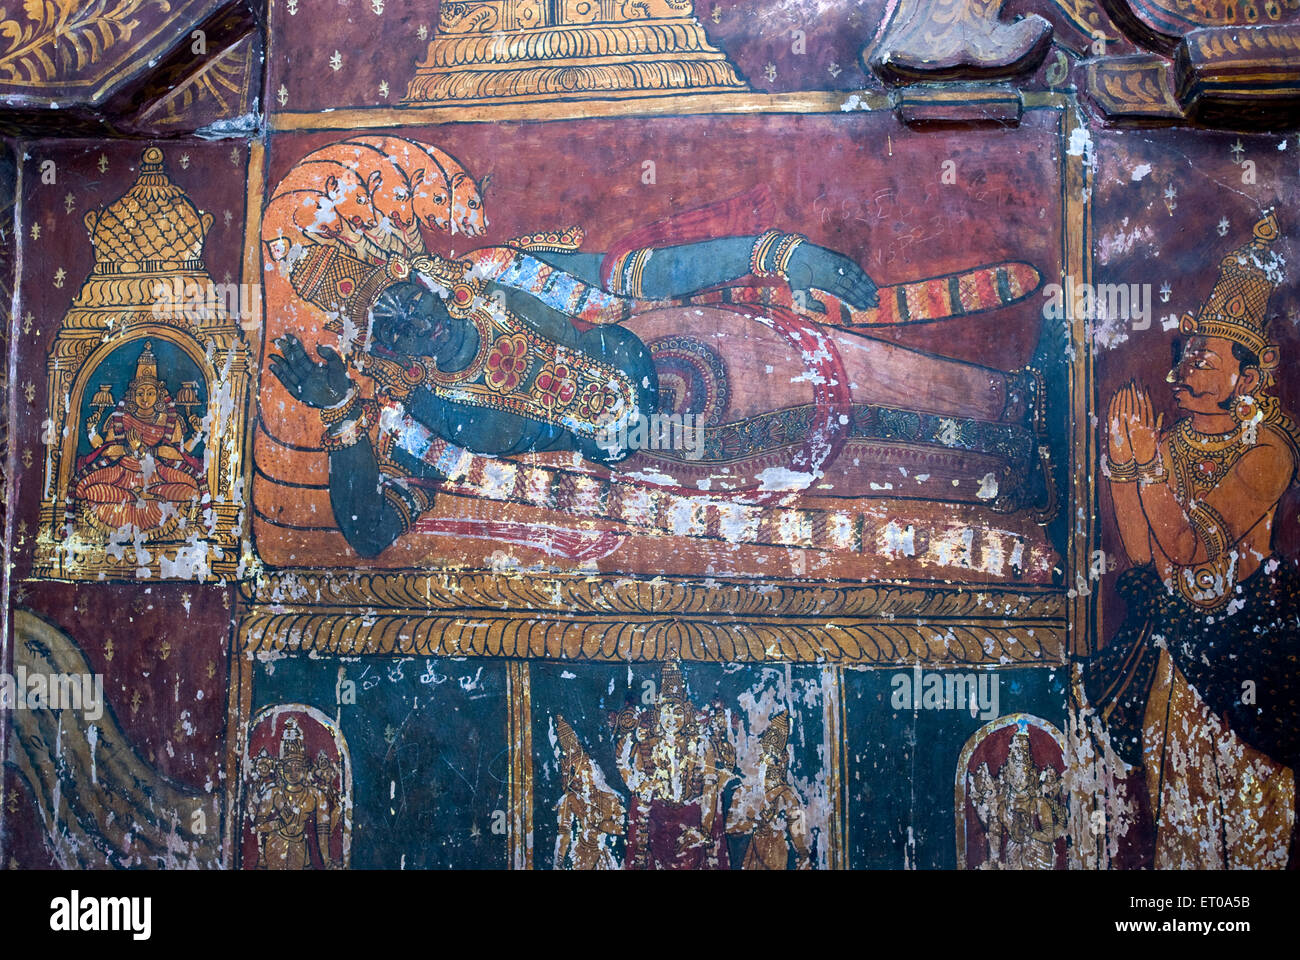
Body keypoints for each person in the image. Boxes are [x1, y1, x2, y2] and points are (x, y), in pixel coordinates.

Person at [269, 221, 1044, 557]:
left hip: (672, 346)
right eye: (395, 331)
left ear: (429, 279)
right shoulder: (423, 421)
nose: (421, 326)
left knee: (832, 365)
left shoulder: (500, 276)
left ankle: (1019, 403)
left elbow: (640, 274)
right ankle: (1011, 479)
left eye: (415, 304)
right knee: (832, 454)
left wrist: (776, 253)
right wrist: (341, 419)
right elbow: (370, 531)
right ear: (386, 355)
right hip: (652, 453)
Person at [1084, 212, 1300, 868]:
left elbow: (1189, 547)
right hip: (1179, 658)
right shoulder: (1173, 443)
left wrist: (1146, 467)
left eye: (1207, 359)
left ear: (1249, 375)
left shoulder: (1269, 448)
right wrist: (1126, 464)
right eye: (1188, 355)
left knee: (1254, 821)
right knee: (1182, 834)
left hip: (1249, 656)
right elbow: (1146, 556)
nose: (1187, 368)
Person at [71, 341, 205, 535]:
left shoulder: (170, 420)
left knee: (192, 489)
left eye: (150, 393)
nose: (145, 398)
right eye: (140, 393)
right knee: (87, 488)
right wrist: (93, 432)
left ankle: (146, 495)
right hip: (121, 474)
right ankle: (133, 495)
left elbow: (180, 453)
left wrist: (197, 434)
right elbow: (106, 449)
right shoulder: (120, 419)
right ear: (132, 395)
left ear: (158, 395)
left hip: (157, 476)